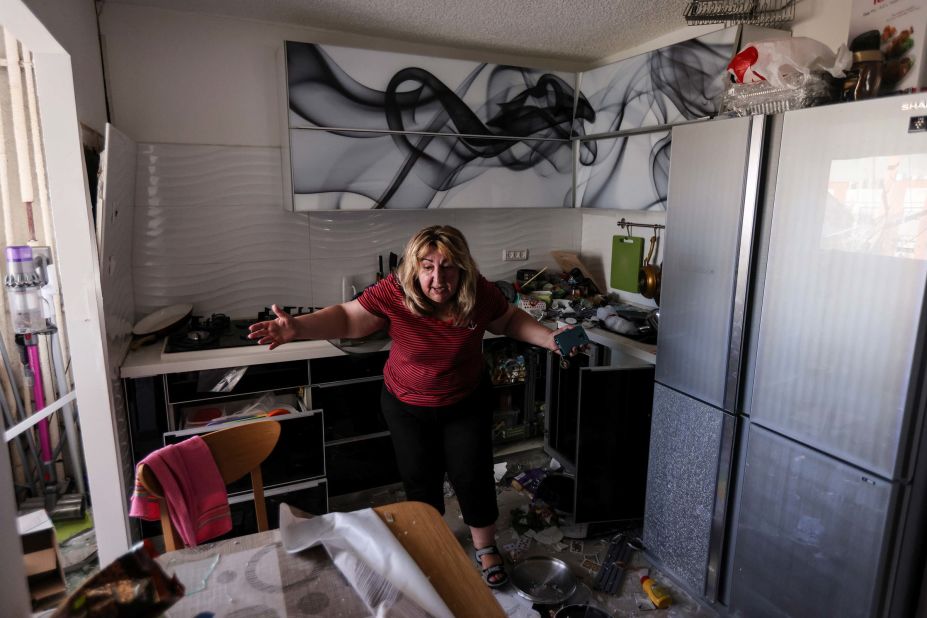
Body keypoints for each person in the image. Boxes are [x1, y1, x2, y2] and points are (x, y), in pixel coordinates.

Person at [248, 224, 576, 588]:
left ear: (463, 268)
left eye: (448, 266)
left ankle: (485, 549)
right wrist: (298, 327)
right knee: (420, 480)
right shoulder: (395, 292)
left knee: (473, 475)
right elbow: (347, 317)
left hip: (465, 400)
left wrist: (549, 339)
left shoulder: (478, 292)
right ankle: (432, 544)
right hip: (406, 405)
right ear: (414, 268)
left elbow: (510, 320)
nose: (438, 278)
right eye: (428, 266)